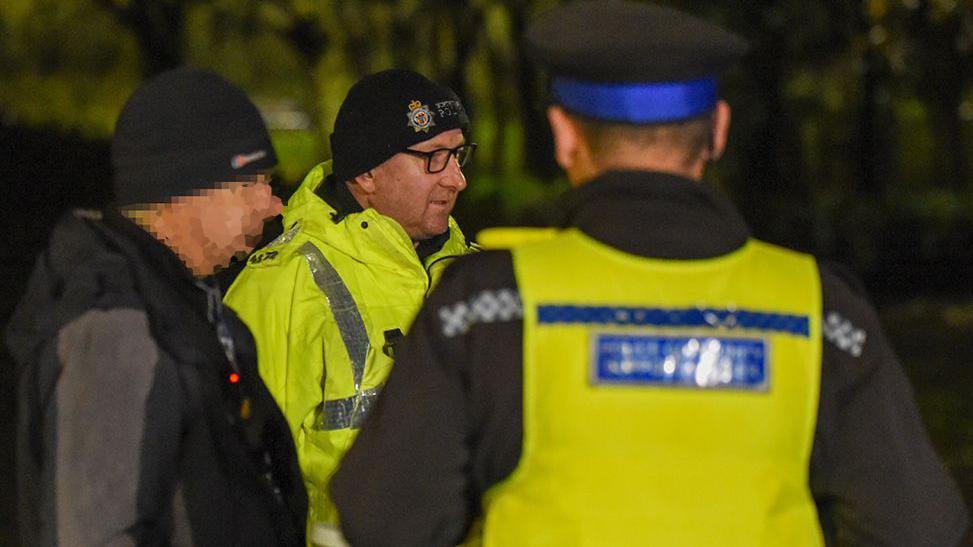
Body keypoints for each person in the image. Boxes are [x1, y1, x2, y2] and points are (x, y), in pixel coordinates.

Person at [329, 2, 972, 545]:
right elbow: (923, 526)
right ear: (717, 131)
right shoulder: (821, 310)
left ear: (563, 136)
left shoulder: (487, 304)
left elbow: (383, 516)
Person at [5, 68, 307, 546]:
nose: (273, 205)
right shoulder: (112, 335)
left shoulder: (196, 308)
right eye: (252, 183)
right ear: (184, 193)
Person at [223, 68, 477, 541]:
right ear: (366, 172)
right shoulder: (282, 284)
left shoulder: (476, 276)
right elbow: (237, 479)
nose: (457, 180)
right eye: (434, 159)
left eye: (459, 156)